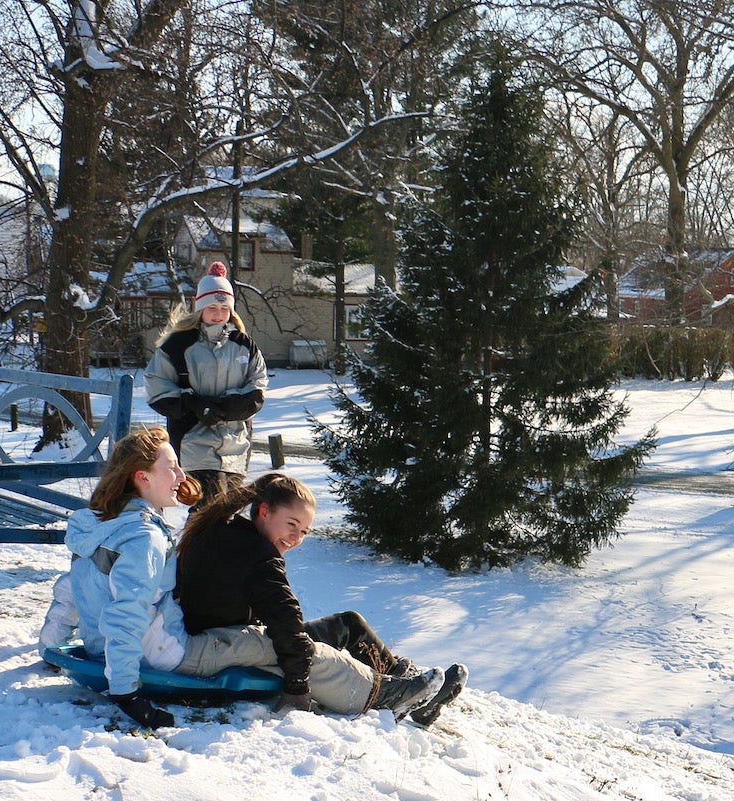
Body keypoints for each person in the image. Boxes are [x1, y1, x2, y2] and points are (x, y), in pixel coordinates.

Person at [172, 472, 466, 725]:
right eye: (291, 524)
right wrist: (297, 688)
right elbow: (287, 626)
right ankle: (394, 693)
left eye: (303, 531)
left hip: (211, 634)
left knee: (347, 624)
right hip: (217, 644)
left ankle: (412, 690)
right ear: (264, 511)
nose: (296, 538)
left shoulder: (225, 529)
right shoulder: (259, 558)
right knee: (311, 651)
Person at [39, 426, 201, 730]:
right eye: (171, 467)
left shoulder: (99, 524)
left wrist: (50, 648)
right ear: (143, 477)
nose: (181, 476)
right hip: (158, 653)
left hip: (104, 649)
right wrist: (127, 693)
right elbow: (127, 613)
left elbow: (71, 590)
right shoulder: (144, 537)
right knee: (255, 646)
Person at [146, 261, 267, 505]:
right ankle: (195, 543)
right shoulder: (178, 345)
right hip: (193, 442)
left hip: (235, 444)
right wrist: (193, 404)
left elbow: (258, 384)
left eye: (224, 308)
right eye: (212, 307)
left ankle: (196, 543)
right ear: (199, 308)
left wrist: (231, 406)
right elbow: (157, 388)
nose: (218, 313)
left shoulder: (244, 345)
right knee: (209, 506)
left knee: (224, 512)